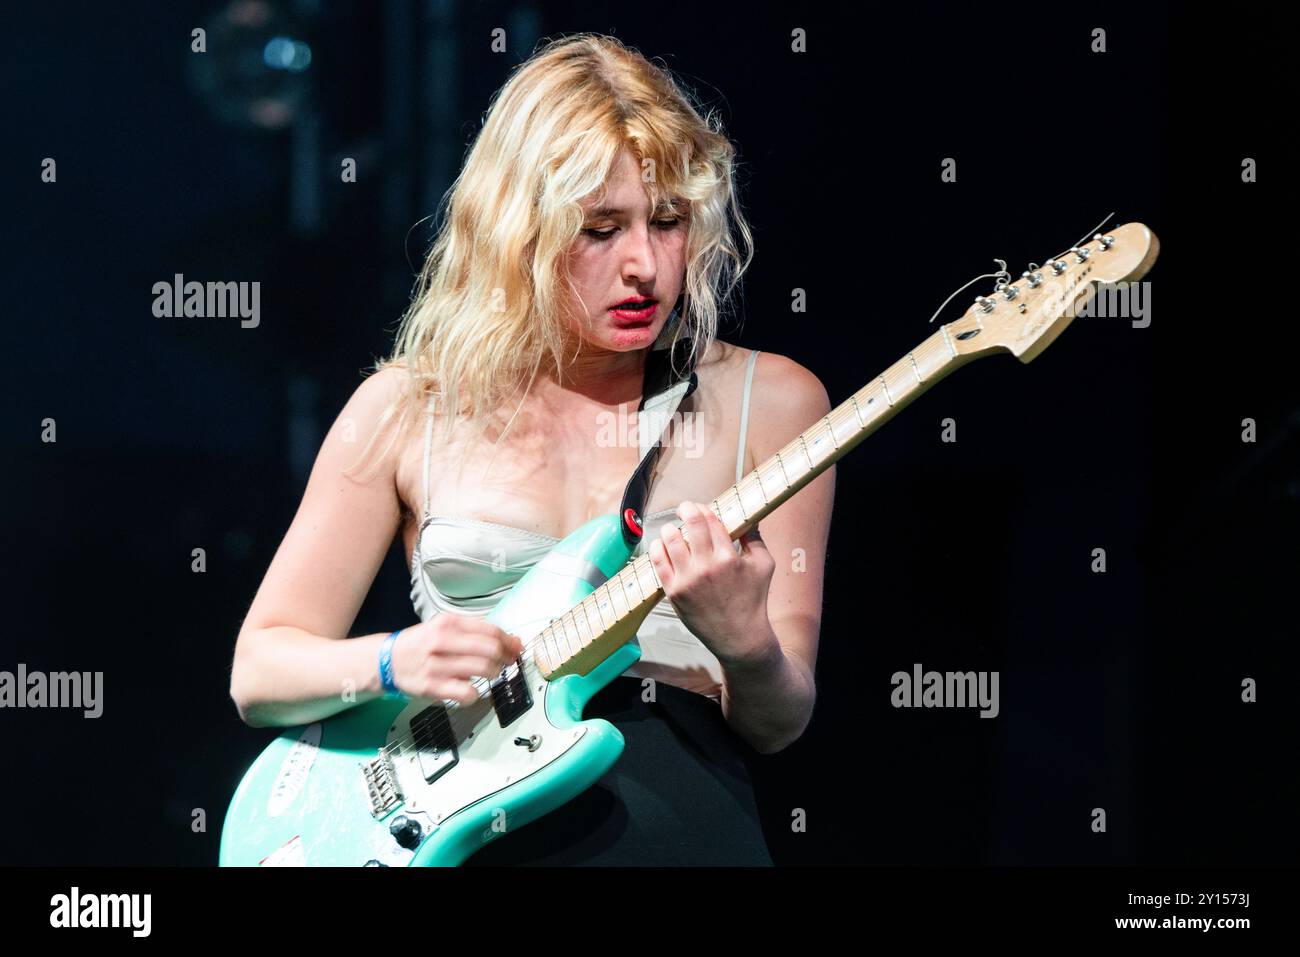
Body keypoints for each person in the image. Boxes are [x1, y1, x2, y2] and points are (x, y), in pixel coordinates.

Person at [228, 32, 834, 866]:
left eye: (666, 223)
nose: (644, 268)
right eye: (599, 228)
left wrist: (744, 643)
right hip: (464, 829)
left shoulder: (774, 401)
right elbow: (260, 671)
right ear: (517, 227)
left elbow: (780, 720)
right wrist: (398, 658)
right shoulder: (408, 406)